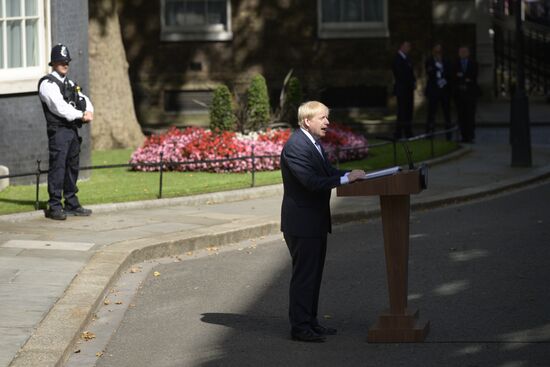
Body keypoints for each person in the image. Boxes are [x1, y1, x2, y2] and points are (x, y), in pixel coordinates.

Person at [280, 101, 365, 343]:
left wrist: (352, 174)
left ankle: (310, 322)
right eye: (323, 118)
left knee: (313, 275)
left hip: (314, 221)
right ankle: (300, 328)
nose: (327, 122)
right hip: (302, 222)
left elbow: (327, 172)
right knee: (304, 276)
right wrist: (347, 179)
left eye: (328, 117)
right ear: (307, 120)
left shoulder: (312, 142)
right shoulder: (297, 145)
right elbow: (310, 181)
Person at [38, 44, 94, 220]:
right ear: (53, 63)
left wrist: (89, 111)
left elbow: (83, 98)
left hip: (72, 130)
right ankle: (54, 205)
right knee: (58, 167)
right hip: (59, 131)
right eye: (61, 61)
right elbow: (59, 107)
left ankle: (71, 202)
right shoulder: (47, 84)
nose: (65, 64)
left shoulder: (69, 83)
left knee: (72, 167)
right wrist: (81, 115)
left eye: (66, 61)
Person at [424, 43, 452, 140]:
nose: (438, 53)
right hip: (433, 90)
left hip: (444, 91)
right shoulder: (429, 61)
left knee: (447, 113)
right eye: (436, 51)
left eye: (439, 51)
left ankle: (449, 134)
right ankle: (429, 134)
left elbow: (449, 73)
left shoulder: (446, 61)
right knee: (431, 113)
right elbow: (430, 73)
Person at [453, 46, 478, 143]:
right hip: (459, 94)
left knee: (470, 115)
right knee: (461, 115)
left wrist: (463, 77)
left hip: (470, 93)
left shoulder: (473, 64)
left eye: (465, 51)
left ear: (468, 53)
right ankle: (463, 136)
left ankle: (470, 135)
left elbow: (473, 76)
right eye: (461, 52)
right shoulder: (455, 64)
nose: (463, 53)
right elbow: (454, 76)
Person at [392, 41, 416, 139]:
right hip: (402, 90)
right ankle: (398, 133)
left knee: (408, 111)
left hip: (408, 89)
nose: (408, 48)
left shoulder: (407, 59)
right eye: (406, 46)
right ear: (402, 47)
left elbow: (411, 72)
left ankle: (408, 132)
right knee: (402, 111)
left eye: (409, 47)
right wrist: (410, 82)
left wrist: (413, 82)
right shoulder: (397, 59)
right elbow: (400, 74)